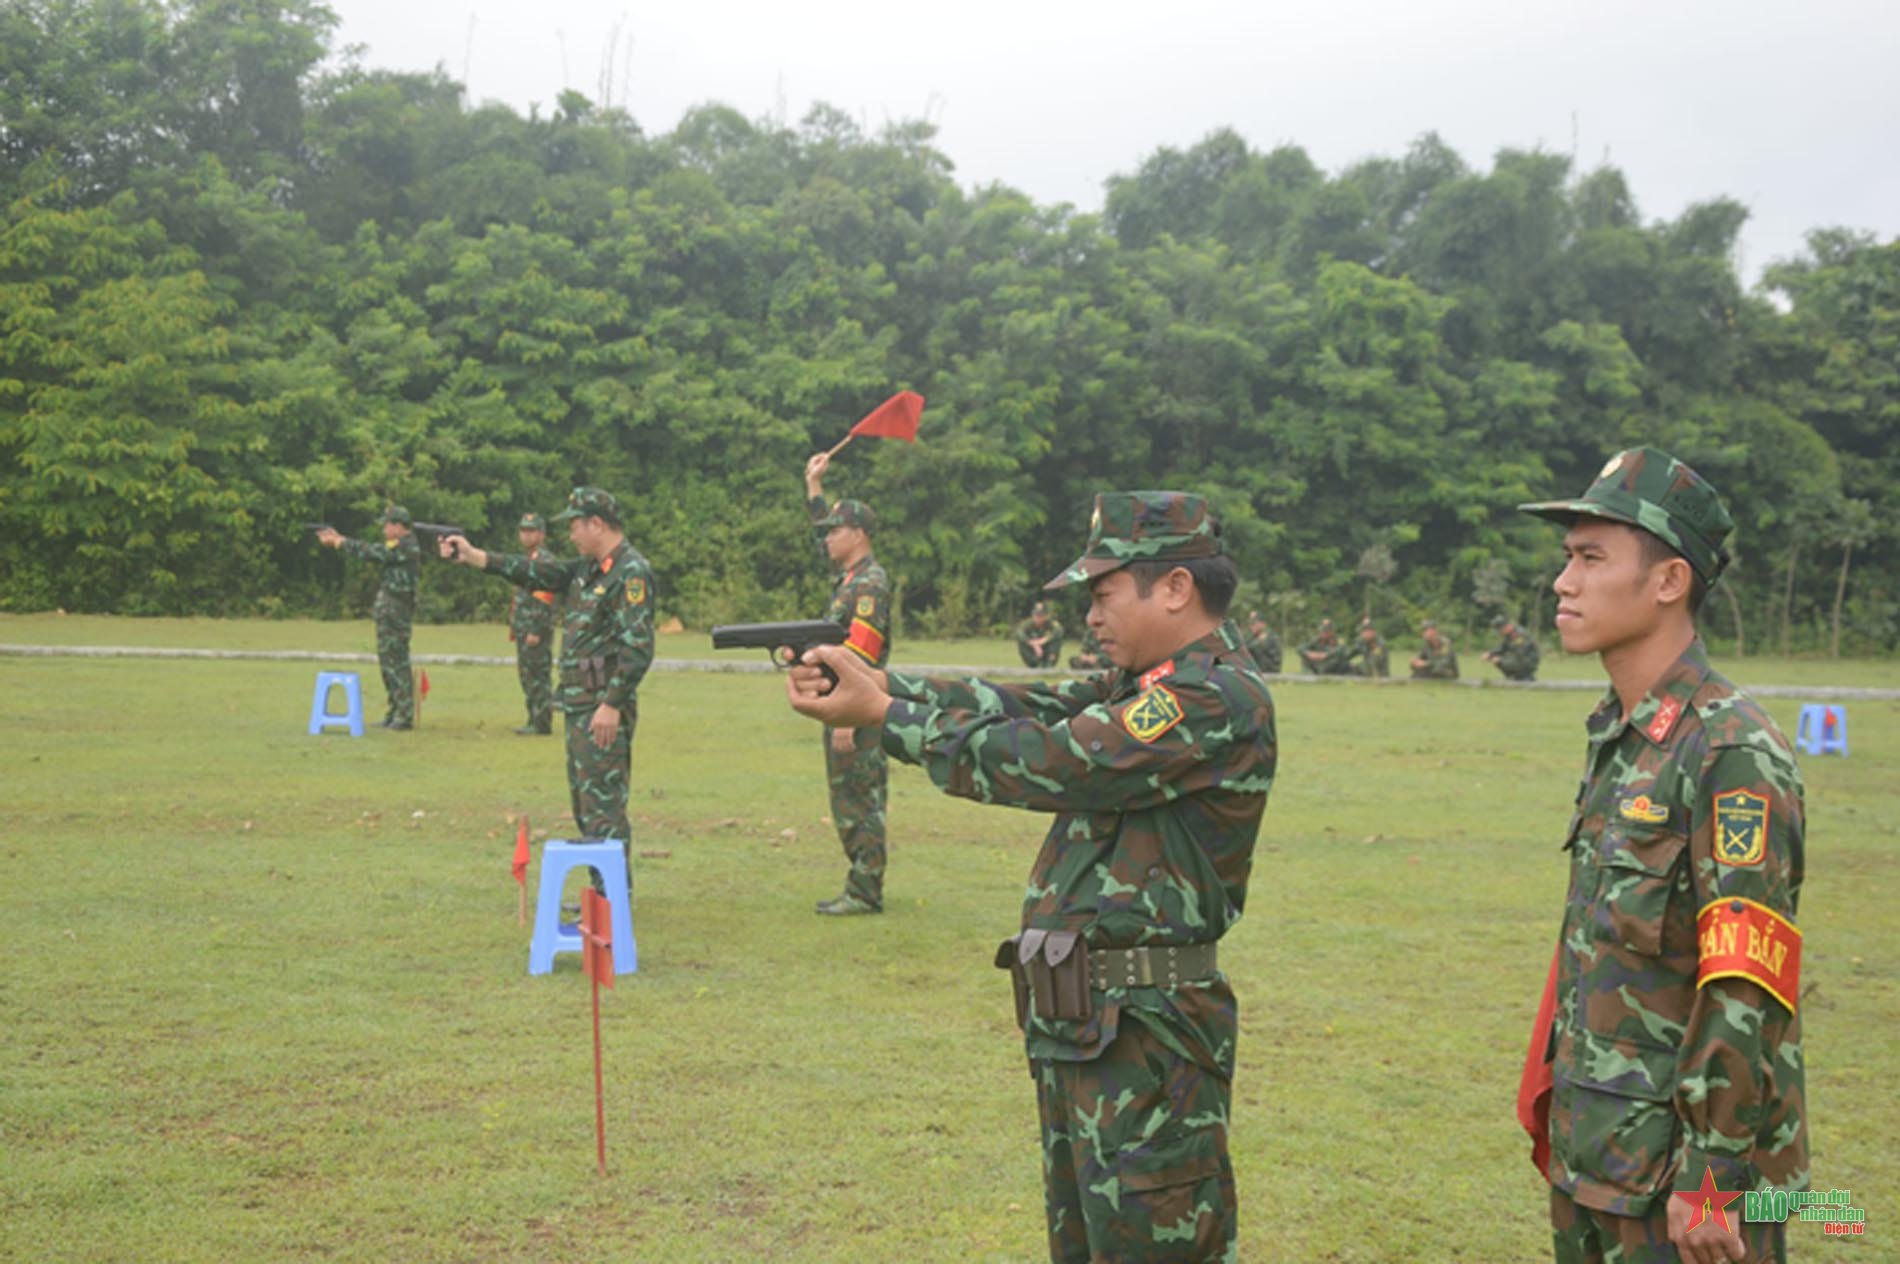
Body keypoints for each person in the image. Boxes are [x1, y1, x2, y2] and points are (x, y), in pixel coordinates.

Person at [784, 491, 1276, 1262]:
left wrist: (884, 715)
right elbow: (1023, 703)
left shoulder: (1211, 696)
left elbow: (1053, 758)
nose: (1091, 614)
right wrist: (876, 682)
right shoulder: (1141, 687)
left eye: (1104, 591)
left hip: (1149, 1037)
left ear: (1174, 587)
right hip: (1089, 1025)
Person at [1514, 448, 1806, 1264]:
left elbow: (1745, 976)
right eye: (1567, 559)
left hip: (1684, 1180)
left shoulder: (1730, 747)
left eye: (1590, 558)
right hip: (1601, 1147)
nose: (1563, 583)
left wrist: (1713, 1173)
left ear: (1670, 581)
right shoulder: (1626, 734)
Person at [437, 488, 655, 880]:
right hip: (578, 704)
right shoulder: (587, 568)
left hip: (601, 706)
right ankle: (600, 893)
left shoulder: (631, 572)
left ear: (597, 524)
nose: (571, 536)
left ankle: (611, 898)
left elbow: (637, 647)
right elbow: (532, 571)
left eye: (575, 526)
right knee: (585, 804)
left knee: (604, 805)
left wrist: (612, 703)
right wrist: (473, 557)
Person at [803, 452, 894, 916]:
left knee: (861, 796)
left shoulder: (868, 586)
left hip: (856, 706)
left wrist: (845, 714)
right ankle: (860, 883)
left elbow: (861, 656)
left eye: (836, 531)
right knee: (847, 796)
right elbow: (824, 526)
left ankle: (865, 889)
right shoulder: (849, 579)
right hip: (845, 704)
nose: (828, 539)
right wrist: (814, 486)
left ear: (858, 534)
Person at [316, 506, 420, 729]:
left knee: (397, 661)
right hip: (390, 609)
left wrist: (340, 542)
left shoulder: (407, 547)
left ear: (398, 526)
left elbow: (374, 553)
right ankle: (395, 711)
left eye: (387, 524)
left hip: (397, 610)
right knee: (387, 661)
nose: (384, 529)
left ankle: (404, 715)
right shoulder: (400, 545)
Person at [507, 512, 559, 736]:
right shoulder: (530, 559)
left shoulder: (545, 561)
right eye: (523, 531)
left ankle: (541, 722)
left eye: (531, 531)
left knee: (537, 674)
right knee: (528, 674)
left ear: (541, 534)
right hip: (524, 627)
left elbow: (545, 598)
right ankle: (534, 717)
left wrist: (536, 629)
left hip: (535, 629)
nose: (526, 536)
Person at [1485, 614, 1541, 681]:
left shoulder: (1519, 635)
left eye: (1500, 630)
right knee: (1496, 659)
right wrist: (1490, 654)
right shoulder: (1509, 635)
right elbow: (1501, 648)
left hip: (1527, 661)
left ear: (1506, 626)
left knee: (1499, 660)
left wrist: (1501, 660)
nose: (1500, 633)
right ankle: (1514, 676)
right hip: (1519, 659)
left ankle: (1524, 676)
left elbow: (1519, 656)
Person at [1014, 600, 1066, 668]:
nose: (1038, 618)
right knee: (1021, 642)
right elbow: (1019, 633)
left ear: (1046, 615)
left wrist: (1044, 640)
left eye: (1041, 615)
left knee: (1057, 640)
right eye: (1036, 615)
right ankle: (1034, 663)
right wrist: (1032, 643)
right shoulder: (1027, 624)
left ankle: (1049, 664)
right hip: (1034, 652)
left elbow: (1059, 631)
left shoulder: (1052, 624)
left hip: (1047, 651)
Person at [1244, 609, 1283, 673]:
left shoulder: (1272, 637)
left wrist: (1258, 643)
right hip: (1254, 672)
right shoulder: (1251, 637)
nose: (1252, 626)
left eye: (1254, 624)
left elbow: (1277, 660)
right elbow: (1244, 649)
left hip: (1270, 673)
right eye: (1250, 624)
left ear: (1263, 624)